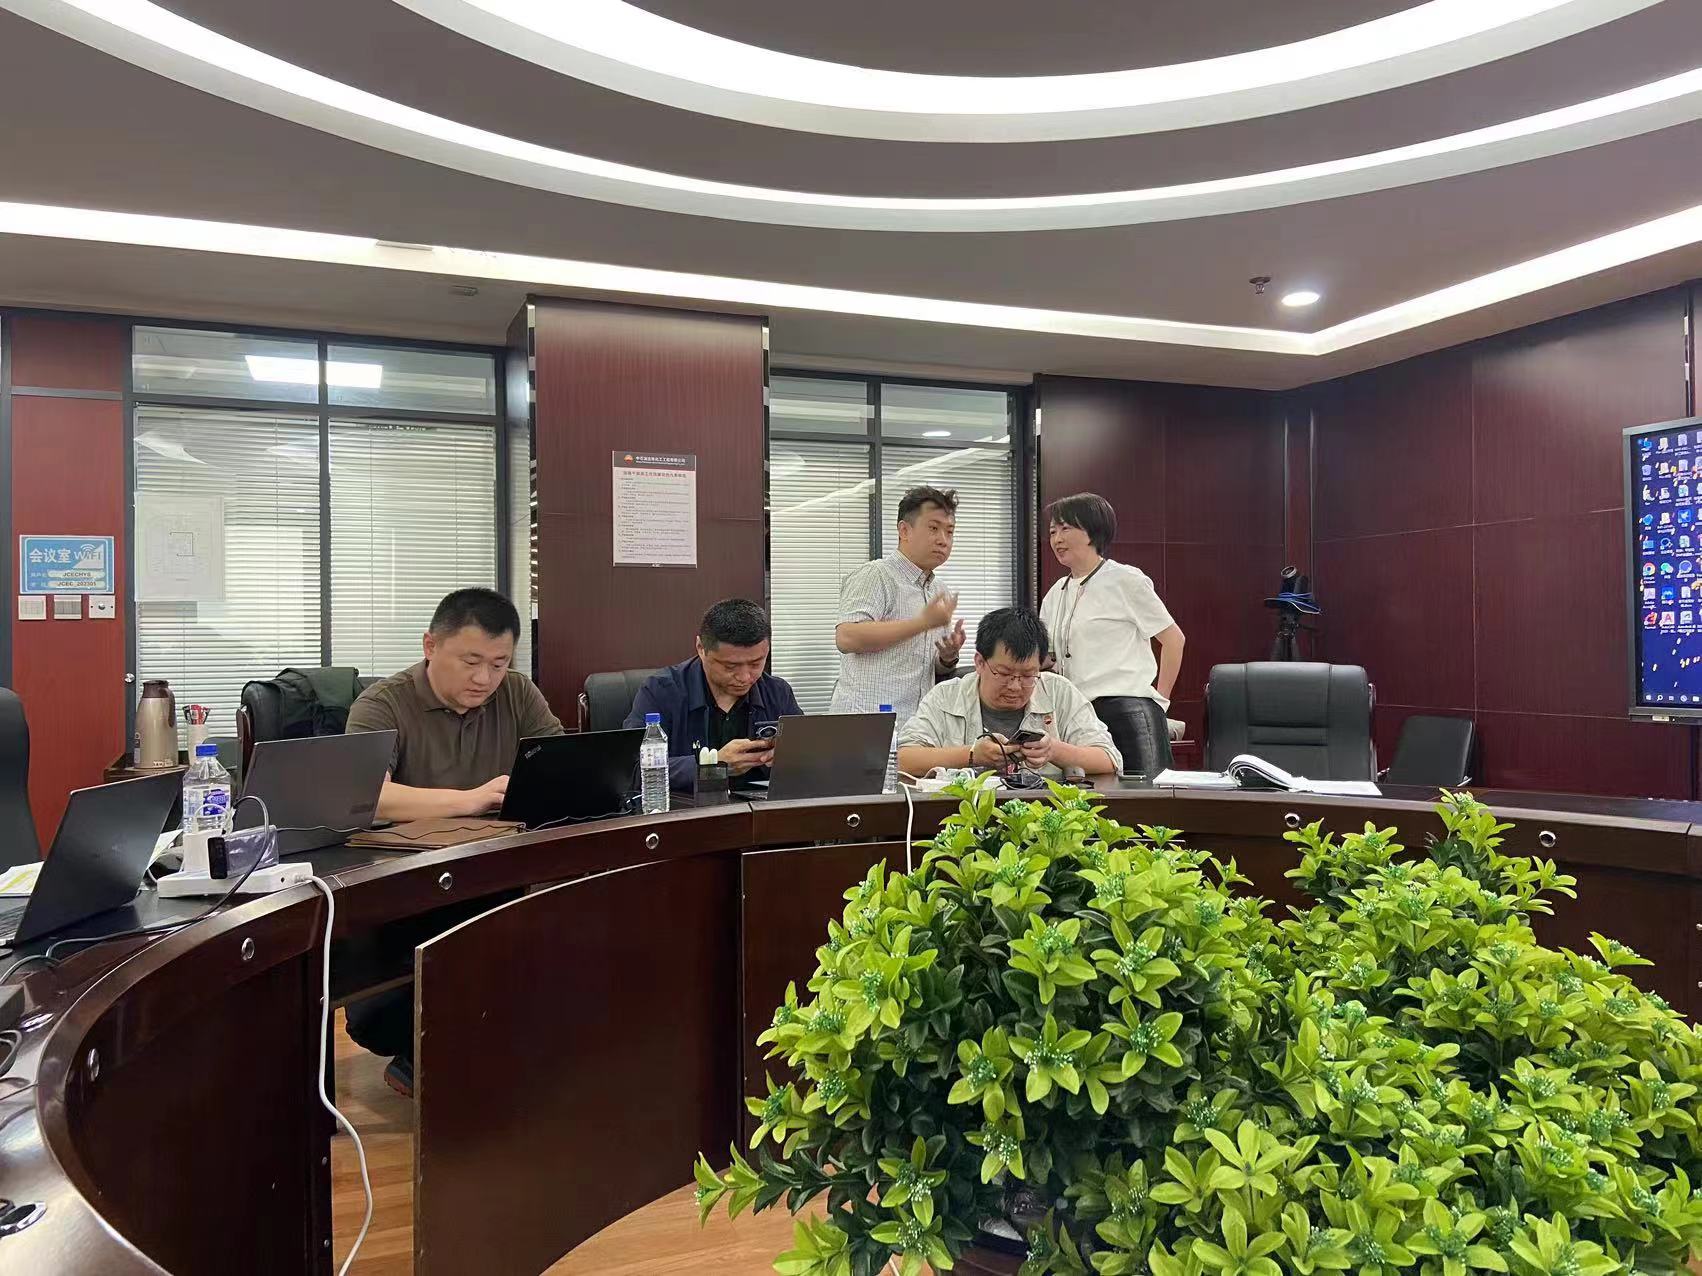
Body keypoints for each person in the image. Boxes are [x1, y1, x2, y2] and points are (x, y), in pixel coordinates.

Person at [343, 586, 561, 1096]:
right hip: (406, 894)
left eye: (499, 664)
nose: (485, 679)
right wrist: (471, 799)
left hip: (499, 876)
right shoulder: (382, 705)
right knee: (395, 1008)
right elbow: (366, 797)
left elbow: (560, 764)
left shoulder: (518, 694)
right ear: (430, 646)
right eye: (471, 662)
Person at [1039, 493, 1185, 777]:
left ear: (1093, 531)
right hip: (1079, 715)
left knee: (1144, 798)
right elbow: (1049, 658)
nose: (1057, 539)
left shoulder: (1125, 579)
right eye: (1053, 531)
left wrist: (1161, 702)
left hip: (1129, 711)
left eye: (1065, 528)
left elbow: (1173, 640)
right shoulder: (1055, 593)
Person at [897, 606, 1121, 781]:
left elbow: (1109, 760)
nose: (1015, 686)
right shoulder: (946, 696)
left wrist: (1053, 751)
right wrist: (972, 755)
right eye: (1004, 673)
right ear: (979, 662)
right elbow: (902, 760)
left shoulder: (1059, 692)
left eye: (1028, 675)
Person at [626, 599, 802, 792]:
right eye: (730, 666)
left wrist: (787, 758)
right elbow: (632, 770)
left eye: (756, 663)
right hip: (688, 807)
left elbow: (808, 758)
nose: (745, 677)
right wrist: (712, 765)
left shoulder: (777, 692)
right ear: (701, 648)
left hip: (760, 806)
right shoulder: (661, 691)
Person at [831, 485, 967, 724]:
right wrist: (922, 623)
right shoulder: (876, 575)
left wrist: (947, 657)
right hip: (866, 724)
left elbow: (927, 668)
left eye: (950, 532)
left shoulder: (939, 590)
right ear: (904, 530)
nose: (943, 540)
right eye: (933, 528)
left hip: (916, 724)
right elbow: (847, 638)